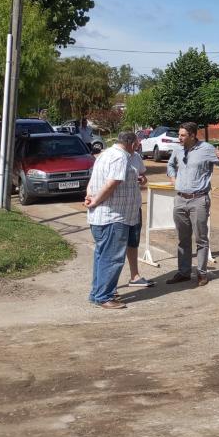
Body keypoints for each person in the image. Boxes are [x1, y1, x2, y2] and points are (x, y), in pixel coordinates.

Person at [164, 122, 219, 287]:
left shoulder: (206, 149)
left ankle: (201, 273)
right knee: (182, 238)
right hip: (180, 199)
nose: (179, 138)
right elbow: (170, 164)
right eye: (179, 135)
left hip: (198, 199)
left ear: (193, 135)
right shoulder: (178, 149)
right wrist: (173, 179)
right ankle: (184, 272)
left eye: (183, 135)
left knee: (201, 238)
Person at [84, 130, 140, 310]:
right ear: (131, 144)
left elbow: (93, 180)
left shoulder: (104, 154)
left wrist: (89, 196)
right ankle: (104, 296)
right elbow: (112, 183)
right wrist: (96, 200)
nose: (137, 148)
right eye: (137, 145)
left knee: (102, 256)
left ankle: (97, 294)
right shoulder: (120, 157)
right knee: (112, 258)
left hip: (104, 216)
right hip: (113, 217)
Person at [125, 136, 154, 288]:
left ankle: (134, 276)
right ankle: (109, 285)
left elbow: (143, 177)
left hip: (135, 205)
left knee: (133, 241)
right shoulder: (114, 156)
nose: (139, 145)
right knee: (115, 247)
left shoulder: (136, 157)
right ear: (130, 143)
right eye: (137, 143)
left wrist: (142, 180)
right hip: (120, 209)